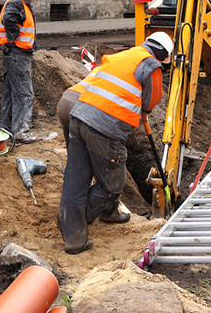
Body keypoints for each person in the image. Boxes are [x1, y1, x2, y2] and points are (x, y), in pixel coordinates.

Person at [57, 32, 174, 254]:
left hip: (79, 118)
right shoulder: (152, 66)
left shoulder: (124, 55)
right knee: (112, 185)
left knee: (75, 181)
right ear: (164, 56)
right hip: (105, 130)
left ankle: (74, 238)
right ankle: (80, 218)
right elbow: (150, 102)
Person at [0, 0, 38, 143]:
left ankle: (5, 130)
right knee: (25, 94)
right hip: (17, 53)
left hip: (14, 53)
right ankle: (21, 132)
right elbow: (9, 19)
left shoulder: (20, 2)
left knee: (11, 92)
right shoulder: (16, 2)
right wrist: (13, 38)